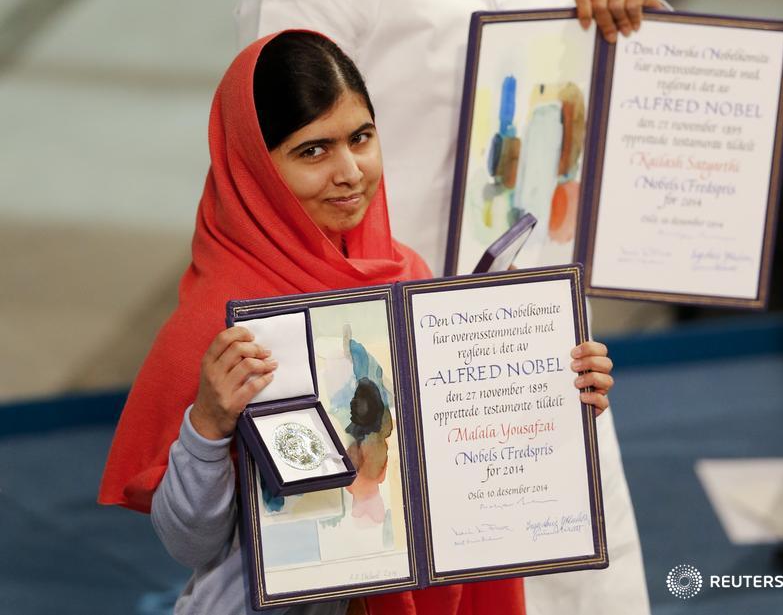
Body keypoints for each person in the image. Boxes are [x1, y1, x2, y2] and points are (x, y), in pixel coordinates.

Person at [98, 31, 616, 615]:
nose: (349, 171)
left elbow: (457, 462)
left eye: (361, 138)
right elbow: (188, 542)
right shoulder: (220, 325)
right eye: (312, 151)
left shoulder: (403, 274)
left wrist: (548, 394)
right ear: (253, 169)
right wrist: (208, 426)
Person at [234, 0, 665, 614]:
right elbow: (268, 140)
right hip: (385, 338)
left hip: (535, 317)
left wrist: (636, 21)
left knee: (571, 564)